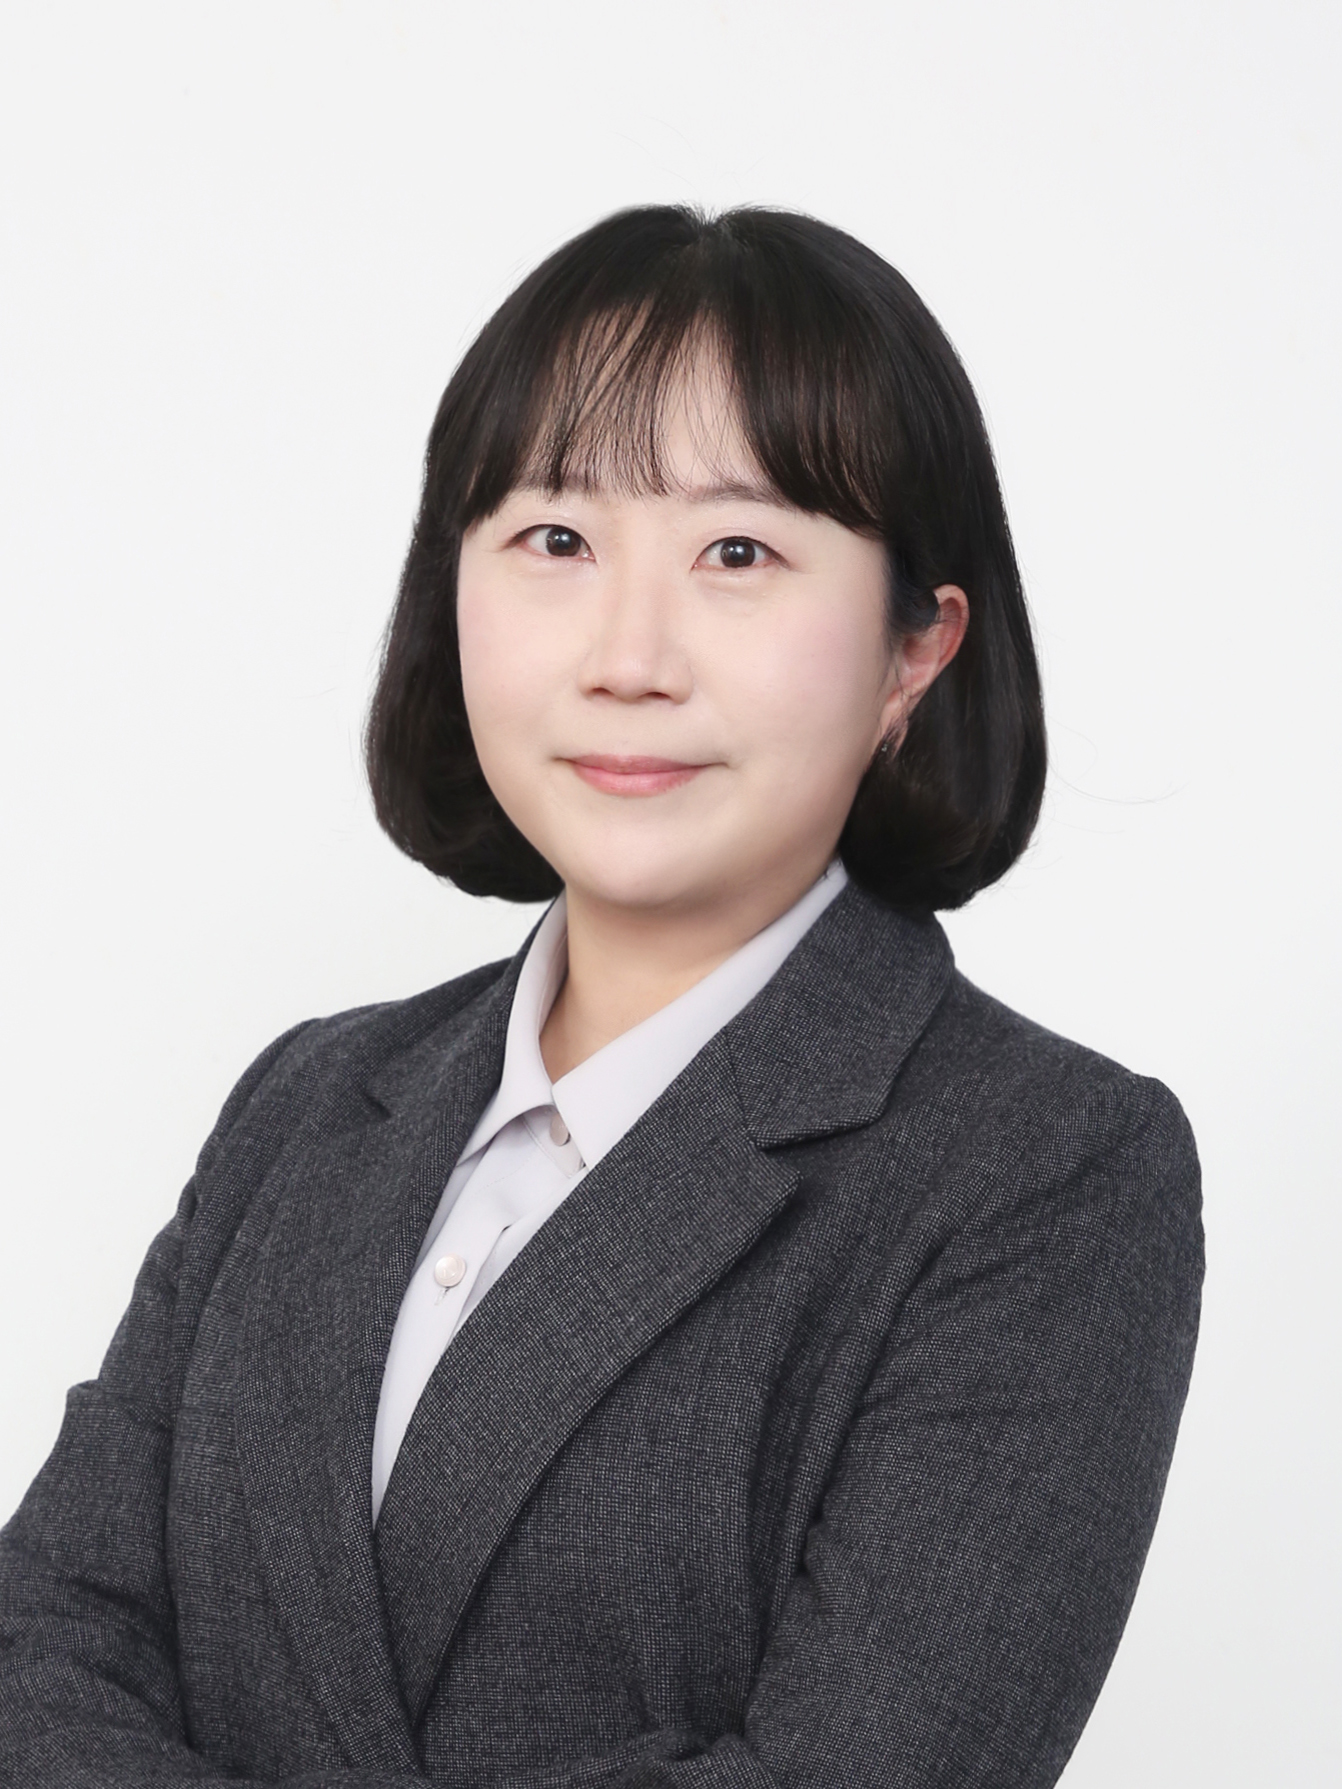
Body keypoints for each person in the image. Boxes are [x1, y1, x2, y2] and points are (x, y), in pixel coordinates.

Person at [0, 205, 1203, 1789]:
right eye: (556, 541)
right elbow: (41, 1643)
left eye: (738, 552)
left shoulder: (1045, 1169)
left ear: (914, 650)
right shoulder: (306, 1103)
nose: (628, 656)